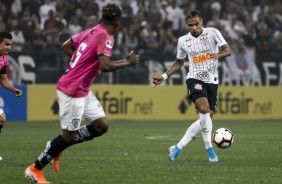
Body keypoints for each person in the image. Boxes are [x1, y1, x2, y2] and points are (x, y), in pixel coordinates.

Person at [25, 3, 139, 184]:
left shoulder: (91, 31)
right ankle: (35, 168)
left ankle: (56, 145)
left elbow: (65, 46)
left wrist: (82, 64)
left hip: (82, 88)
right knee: (67, 137)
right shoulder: (105, 36)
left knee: (101, 126)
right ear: (118, 23)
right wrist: (128, 61)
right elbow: (105, 65)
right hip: (73, 90)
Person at [152, 10, 231, 163]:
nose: (193, 27)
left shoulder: (213, 32)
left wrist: (218, 55)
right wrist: (163, 76)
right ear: (186, 26)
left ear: (201, 21)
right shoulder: (183, 40)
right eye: (190, 25)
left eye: (196, 24)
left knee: (206, 117)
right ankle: (209, 149)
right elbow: (179, 62)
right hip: (194, 78)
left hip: (212, 81)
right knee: (203, 108)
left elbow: (228, 50)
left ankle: (178, 147)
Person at [0, 31, 23, 160]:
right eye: (6, 44)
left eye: (11, 44)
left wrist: (13, 89)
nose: (9, 47)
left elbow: (3, 79)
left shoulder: (3, 59)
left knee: (1, 118)